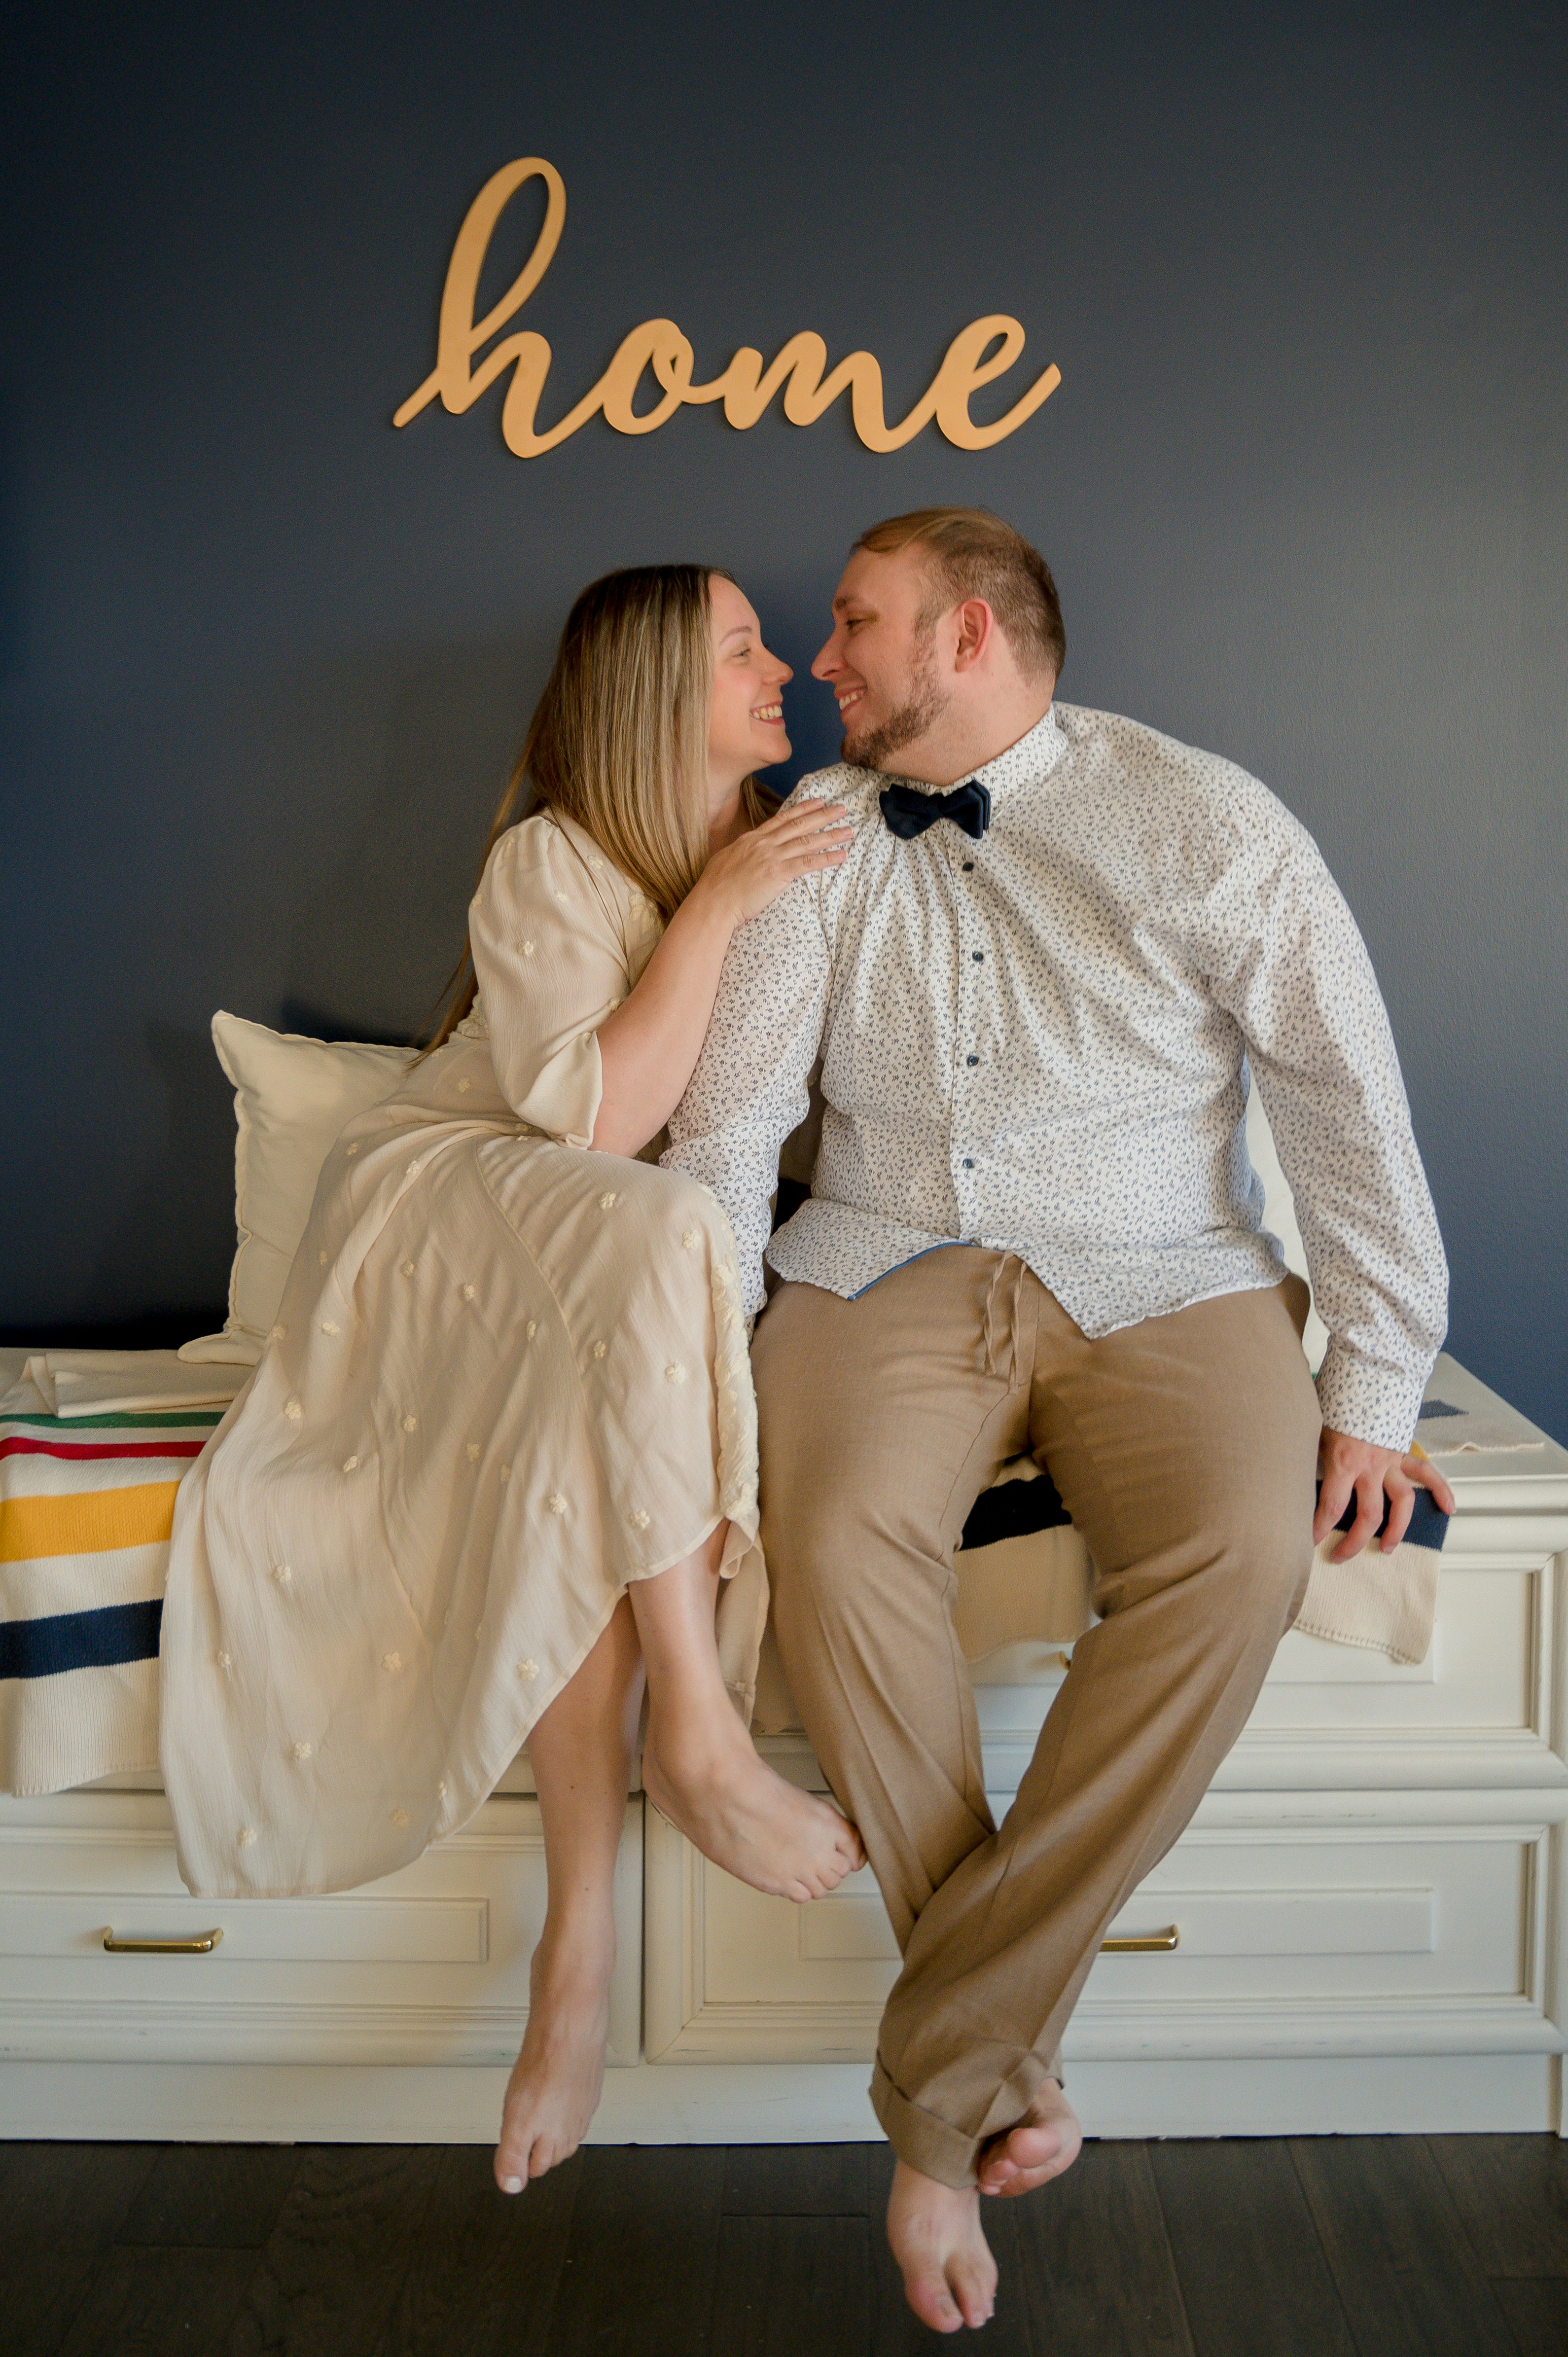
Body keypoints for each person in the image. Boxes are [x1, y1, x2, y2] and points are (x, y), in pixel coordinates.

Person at [665, 507, 1456, 2334]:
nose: (821, 655)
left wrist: (1373, 1379)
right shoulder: (816, 839)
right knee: (830, 1532)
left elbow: (1345, 1097)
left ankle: (937, 2097)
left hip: (1165, 1269)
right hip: (881, 1257)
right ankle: (994, 2070)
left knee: (1244, 1552)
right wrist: (705, 1381)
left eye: (853, 626)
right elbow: (723, 1132)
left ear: (963, 637)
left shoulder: (1205, 821)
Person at [160, 564, 862, 2196]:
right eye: (743, 650)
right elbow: (594, 1126)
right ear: (644, 697)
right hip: (444, 1206)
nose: (783, 673)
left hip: (600, 1273)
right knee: (656, 1224)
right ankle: (694, 1727)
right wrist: (714, 907)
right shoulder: (551, 860)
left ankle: (575, 1956)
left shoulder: (782, 843)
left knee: (594, 1434)